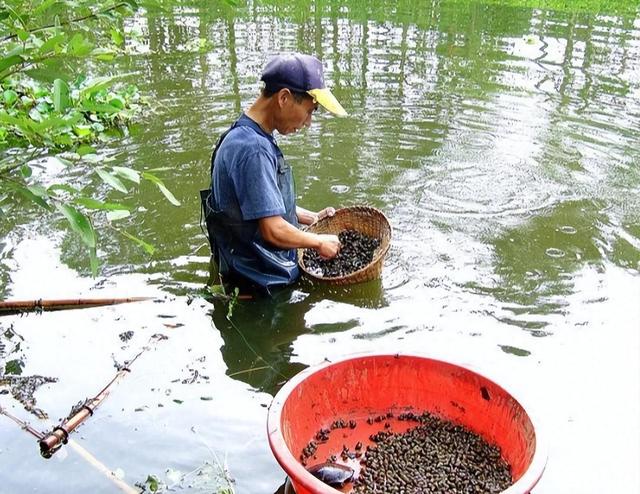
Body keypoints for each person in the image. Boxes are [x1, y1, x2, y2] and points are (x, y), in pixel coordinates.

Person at [201, 53, 347, 292]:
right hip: (260, 287)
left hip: (242, 272)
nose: (308, 122)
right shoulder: (254, 149)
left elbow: (255, 205)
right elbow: (272, 229)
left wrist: (312, 218)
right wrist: (318, 241)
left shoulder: (242, 135)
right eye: (310, 111)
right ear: (284, 98)